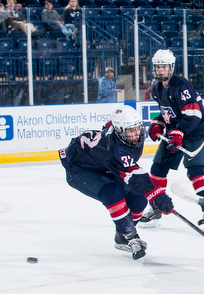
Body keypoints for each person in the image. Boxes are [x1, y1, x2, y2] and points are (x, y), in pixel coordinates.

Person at [59, 105, 174, 260]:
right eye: (129, 131)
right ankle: (131, 238)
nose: (135, 135)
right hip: (80, 168)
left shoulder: (124, 134)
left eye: (137, 129)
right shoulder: (114, 146)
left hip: (107, 166)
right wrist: (155, 193)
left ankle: (121, 235)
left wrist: (150, 193)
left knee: (139, 199)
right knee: (112, 192)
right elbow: (134, 174)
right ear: (119, 131)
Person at [140, 49, 204, 230]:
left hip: (195, 133)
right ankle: (156, 207)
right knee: (157, 169)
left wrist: (178, 132)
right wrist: (158, 123)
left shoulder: (181, 86)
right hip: (175, 132)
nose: (161, 70)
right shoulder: (155, 88)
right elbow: (168, 113)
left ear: (171, 67)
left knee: (194, 171)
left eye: (164, 67)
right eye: (158, 67)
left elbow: (193, 114)